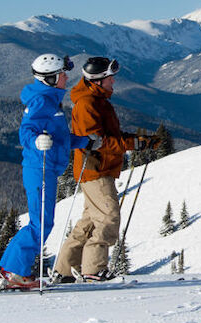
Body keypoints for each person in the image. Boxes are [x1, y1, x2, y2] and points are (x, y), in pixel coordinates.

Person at [0, 54, 100, 287]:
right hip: (40, 167)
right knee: (42, 223)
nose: (66, 77)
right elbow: (27, 130)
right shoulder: (42, 101)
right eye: (62, 74)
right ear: (51, 79)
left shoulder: (51, 100)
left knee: (39, 222)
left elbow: (59, 139)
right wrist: (35, 141)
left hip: (46, 166)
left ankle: (10, 268)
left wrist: (85, 142)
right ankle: (14, 272)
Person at [53, 56, 158, 282]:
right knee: (109, 217)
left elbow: (111, 136)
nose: (114, 83)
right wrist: (134, 143)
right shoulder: (88, 104)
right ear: (98, 80)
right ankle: (93, 269)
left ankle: (64, 270)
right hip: (96, 168)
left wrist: (139, 140)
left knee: (89, 222)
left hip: (98, 168)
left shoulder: (97, 100)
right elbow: (97, 141)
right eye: (110, 79)